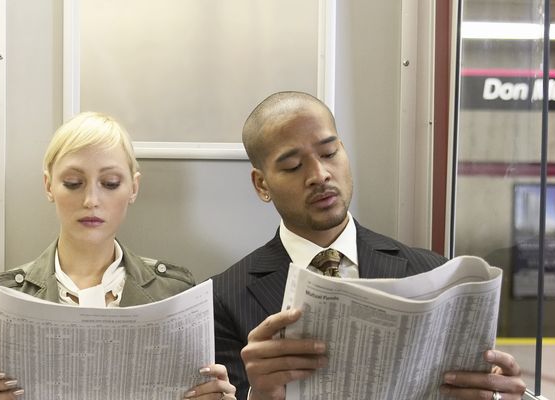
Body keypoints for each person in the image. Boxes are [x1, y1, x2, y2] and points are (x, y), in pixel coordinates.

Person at [210, 91, 526, 400]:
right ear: (262, 184)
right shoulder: (223, 299)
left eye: (329, 153)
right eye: (293, 166)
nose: (319, 175)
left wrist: (494, 395)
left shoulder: (435, 275)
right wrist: (261, 396)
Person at [0, 112, 237, 400]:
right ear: (49, 186)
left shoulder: (175, 292)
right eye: (73, 183)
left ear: (133, 188)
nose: (91, 201)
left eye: (109, 183)